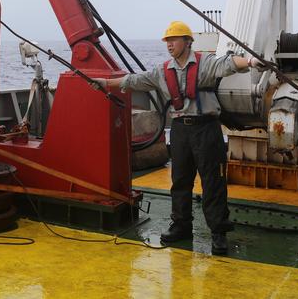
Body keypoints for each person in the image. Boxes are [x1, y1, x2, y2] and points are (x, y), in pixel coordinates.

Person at [92, 20, 259, 256]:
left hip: (207, 129)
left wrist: (251, 61)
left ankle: (218, 232)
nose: (169, 44)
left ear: (187, 42)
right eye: (167, 41)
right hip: (180, 130)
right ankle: (181, 225)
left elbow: (229, 64)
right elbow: (135, 80)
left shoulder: (205, 64)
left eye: (174, 40)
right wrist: (106, 84)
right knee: (180, 181)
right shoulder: (162, 71)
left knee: (213, 182)